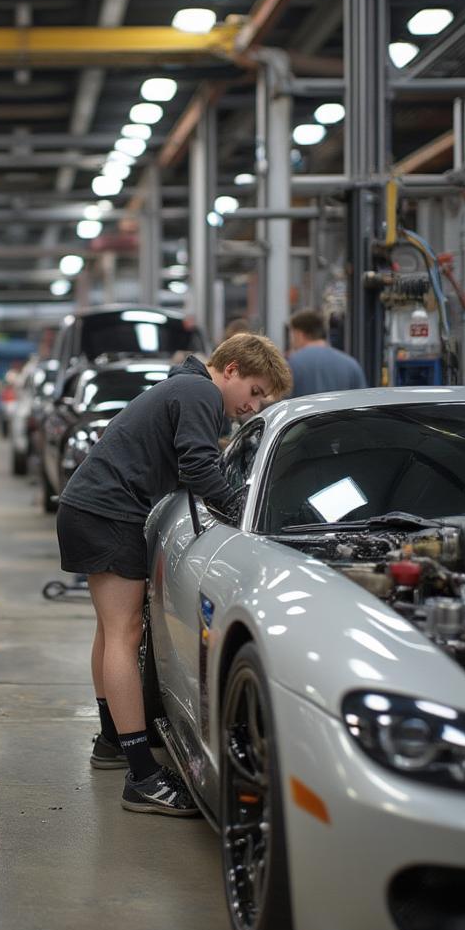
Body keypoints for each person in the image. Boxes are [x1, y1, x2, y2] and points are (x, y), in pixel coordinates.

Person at [55, 333, 291, 816]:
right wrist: (241, 506)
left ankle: (111, 742)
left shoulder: (186, 389)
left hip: (90, 507)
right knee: (124, 633)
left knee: (110, 630)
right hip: (108, 512)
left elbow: (189, 459)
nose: (255, 404)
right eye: (257, 390)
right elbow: (198, 467)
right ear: (230, 370)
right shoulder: (200, 393)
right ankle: (141, 776)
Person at [288, 309, 366, 396]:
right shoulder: (351, 364)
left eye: (292, 335)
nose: (292, 341)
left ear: (299, 334)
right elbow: (363, 400)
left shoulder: (292, 364)